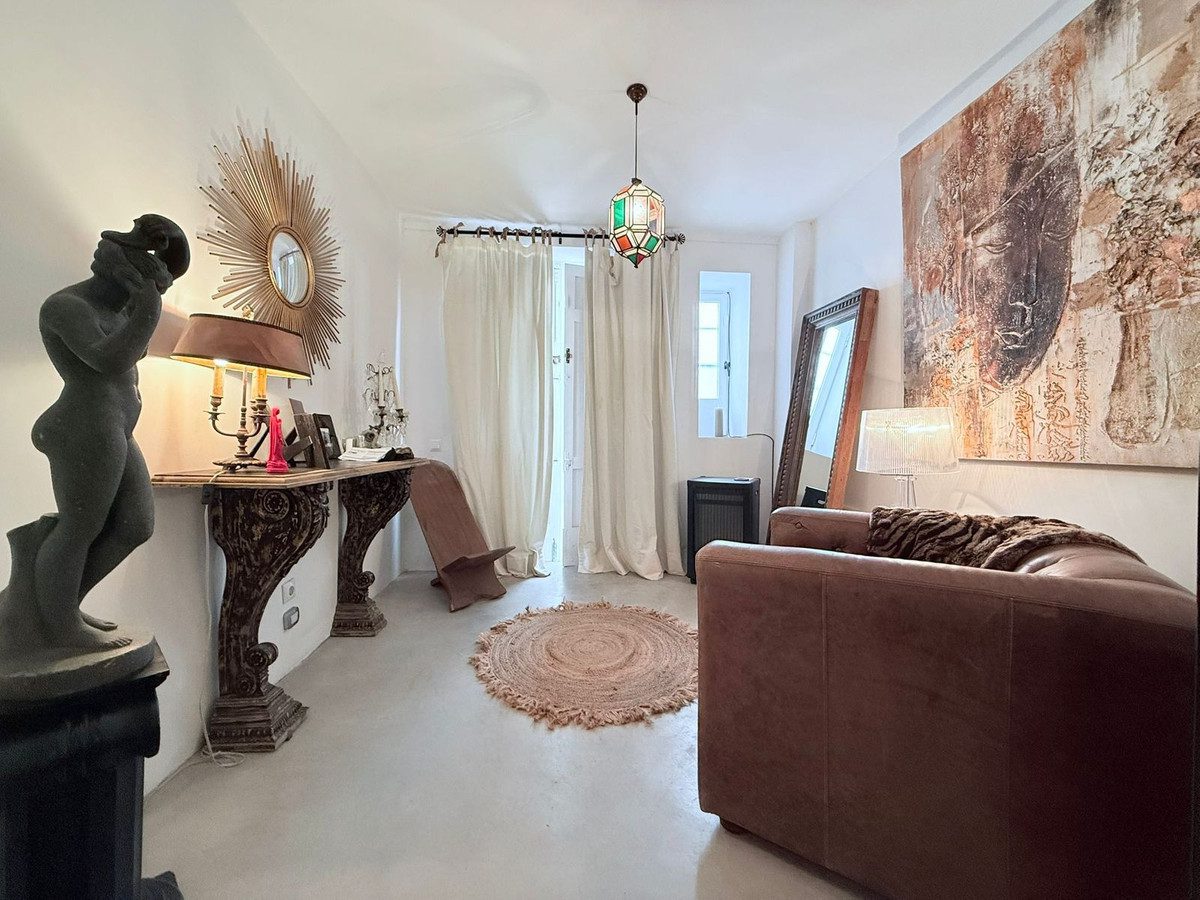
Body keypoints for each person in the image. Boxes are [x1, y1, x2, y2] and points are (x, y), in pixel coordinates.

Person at [29, 215, 189, 651]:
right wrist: (148, 308)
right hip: (84, 423)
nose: (152, 295)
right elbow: (110, 360)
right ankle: (60, 626)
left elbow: (131, 353)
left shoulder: (122, 310)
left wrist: (143, 306)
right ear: (122, 271)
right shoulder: (66, 307)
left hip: (115, 425)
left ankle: (62, 605)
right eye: (150, 284)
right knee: (80, 526)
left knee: (136, 524)